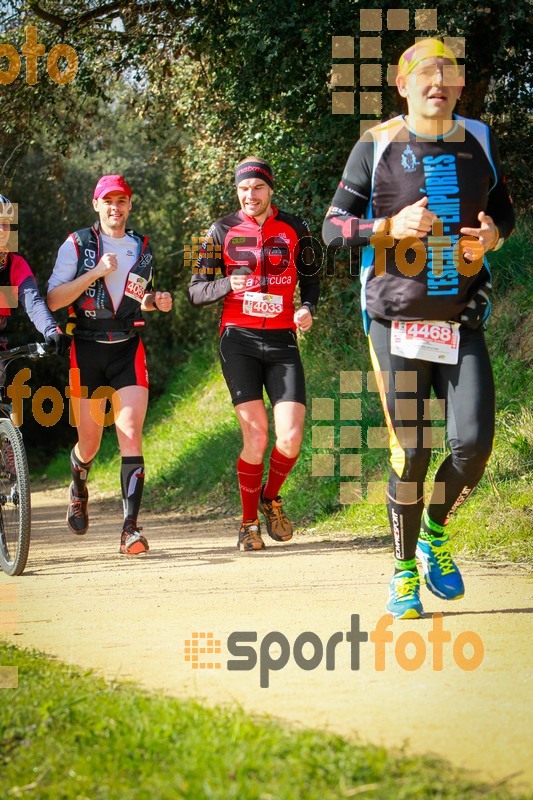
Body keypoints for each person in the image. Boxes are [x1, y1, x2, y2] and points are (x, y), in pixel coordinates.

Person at [322, 39, 515, 618]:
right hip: (394, 319)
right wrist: (387, 226)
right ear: (400, 84)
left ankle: (434, 530)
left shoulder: (479, 138)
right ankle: (403, 572)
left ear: (458, 87)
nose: (438, 83)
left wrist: (493, 237)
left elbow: (503, 208)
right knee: (411, 449)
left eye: (448, 74)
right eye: (425, 74)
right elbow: (334, 229)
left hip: (463, 317)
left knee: (473, 444)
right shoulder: (376, 143)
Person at [188, 157, 320, 551]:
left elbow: (311, 279)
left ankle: (269, 497)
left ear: (270, 189)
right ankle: (248, 524)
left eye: (258, 188)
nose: (250, 195)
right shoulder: (221, 230)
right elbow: (196, 291)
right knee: (257, 436)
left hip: (281, 340)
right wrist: (228, 282)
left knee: (291, 439)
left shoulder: (296, 227)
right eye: (244, 189)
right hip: (238, 340)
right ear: (237, 192)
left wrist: (307, 308)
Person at [47, 175, 172, 555]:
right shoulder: (78, 244)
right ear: (96, 204)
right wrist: (96, 272)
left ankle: (130, 529)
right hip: (85, 350)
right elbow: (53, 299)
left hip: (127, 349)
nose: (115, 208)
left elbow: (135, 298)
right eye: (108, 201)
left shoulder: (142, 246)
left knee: (130, 431)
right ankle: (78, 485)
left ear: (130, 205)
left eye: (122, 201)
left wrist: (155, 301)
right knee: (89, 443)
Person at [0, 194, 66, 358]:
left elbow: (33, 303)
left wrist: (51, 330)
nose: (2, 230)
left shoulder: (15, 265)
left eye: (6, 224)